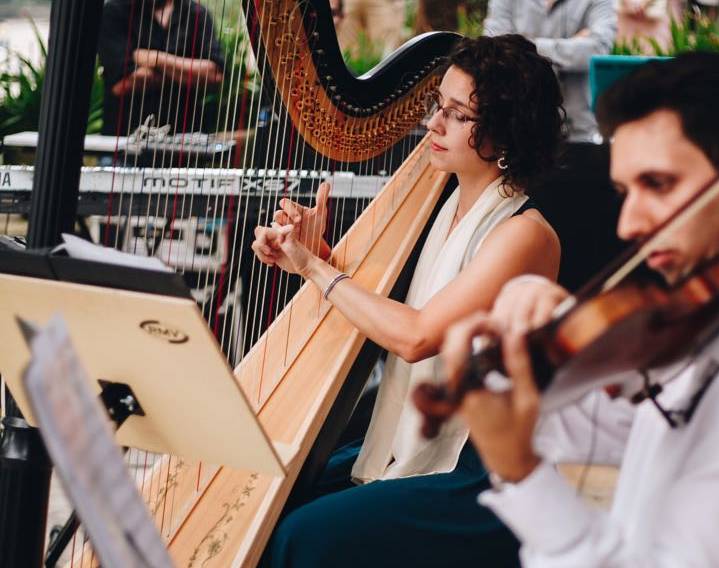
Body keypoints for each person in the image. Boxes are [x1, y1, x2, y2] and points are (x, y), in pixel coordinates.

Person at [441, 52, 719, 566]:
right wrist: (541, 360)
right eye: (624, 191)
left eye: (657, 185)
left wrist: (521, 472)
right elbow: (631, 434)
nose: (629, 224)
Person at [251, 34, 565, 567]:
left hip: (480, 469)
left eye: (458, 115)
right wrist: (313, 251)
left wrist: (314, 268)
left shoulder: (523, 233)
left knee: (300, 535)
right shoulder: (443, 209)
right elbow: (389, 305)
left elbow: (418, 335)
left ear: (507, 131)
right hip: (420, 438)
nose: (434, 125)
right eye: (437, 106)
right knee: (269, 494)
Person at [483, 0, 617, 143]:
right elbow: (494, 50)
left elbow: (598, 48)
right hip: (517, 127)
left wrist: (522, 48)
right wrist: (572, 44)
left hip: (578, 132)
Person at [98, 0, 224, 136]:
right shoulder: (114, 12)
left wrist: (156, 59)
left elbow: (215, 75)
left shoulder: (197, 14)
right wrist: (188, 73)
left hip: (184, 142)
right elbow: (121, 84)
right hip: (123, 141)